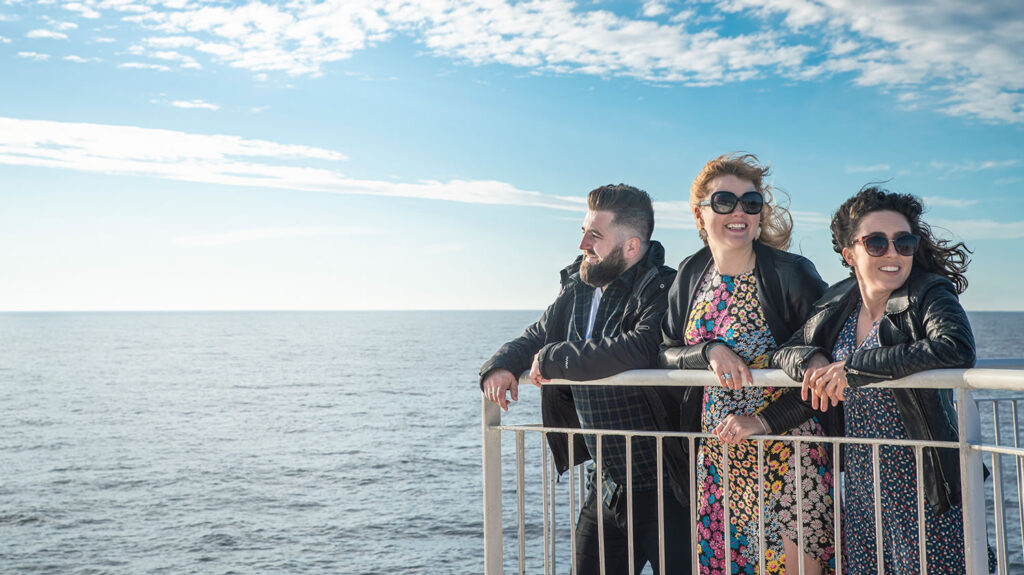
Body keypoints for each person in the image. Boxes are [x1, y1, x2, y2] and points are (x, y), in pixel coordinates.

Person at [773, 187, 985, 574]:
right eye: (876, 242)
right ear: (850, 253)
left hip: (925, 484)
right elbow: (785, 351)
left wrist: (852, 369)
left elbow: (955, 347)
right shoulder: (837, 303)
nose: (892, 253)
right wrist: (814, 358)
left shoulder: (928, 292)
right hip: (863, 486)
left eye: (903, 242)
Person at [479, 184, 689, 574]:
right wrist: (501, 366)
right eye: (583, 231)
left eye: (595, 235)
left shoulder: (664, 287)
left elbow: (640, 346)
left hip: (667, 490)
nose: (582, 244)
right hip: (607, 486)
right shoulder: (577, 286)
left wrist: (556, 358)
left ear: (631, 246)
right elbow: (537, 335)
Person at [659, 153, 835, 575]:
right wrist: (709, 351)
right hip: (720, 461)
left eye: (750, 203)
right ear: (700, 214)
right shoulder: (690, 273)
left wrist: (764, 421)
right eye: (724, 201)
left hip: (790, 455)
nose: (738, 212)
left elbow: (825, 364)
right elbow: (666, 349)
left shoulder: (790, 274)